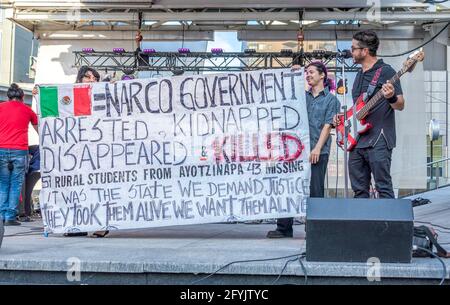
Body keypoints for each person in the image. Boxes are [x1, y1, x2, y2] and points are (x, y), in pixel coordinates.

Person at [267, 61, 341, 238]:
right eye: (306, 73)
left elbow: (327, 125)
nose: (308, 75)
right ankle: (284, 228)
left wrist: (316, 148)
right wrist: (294, 76)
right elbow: (286, 96)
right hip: (297, 152)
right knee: (290, 187)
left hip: (318, 151)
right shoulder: (301, 97)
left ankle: (315, 230)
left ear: (322, 75)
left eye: (311, 72)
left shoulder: (331, 100)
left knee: (316, 190)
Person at [33, 66, 108, 237]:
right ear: (79, 79)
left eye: (94, 77)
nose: (92, 80)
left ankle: (102, 224)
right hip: (76, 155)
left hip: (98, 154)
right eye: (87, 77)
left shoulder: (103, 95)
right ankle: (77, 226)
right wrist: (41, 95)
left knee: (98, 191)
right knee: (77, 191)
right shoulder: (71, 97)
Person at [333, 30, 405, 199]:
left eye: (353, 48)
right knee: (359, 190)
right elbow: (358, 107)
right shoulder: (358, 75)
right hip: (357, 141)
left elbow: (400, 104)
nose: (350, 51)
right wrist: (344, 119)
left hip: (379, 138)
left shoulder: (386, 72)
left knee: (383, 187)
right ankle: (361, 224)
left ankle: (389, 225)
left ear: (364, 51)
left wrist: (391, 96)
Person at [0, 83, 39, 226]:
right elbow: (39, 129)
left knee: (3, 183)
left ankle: (1, 217)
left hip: (2, 148)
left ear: (8, 97)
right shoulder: (27, 110)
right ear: (22, 97)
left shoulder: (1, 107)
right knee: (16, 184)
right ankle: (10, 217)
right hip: (20, 150)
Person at [18, 145, 41, 222]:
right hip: (37, 168)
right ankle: (26, 212)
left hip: (34, 169)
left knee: (26, 191)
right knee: (27, 191)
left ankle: (25, 212)